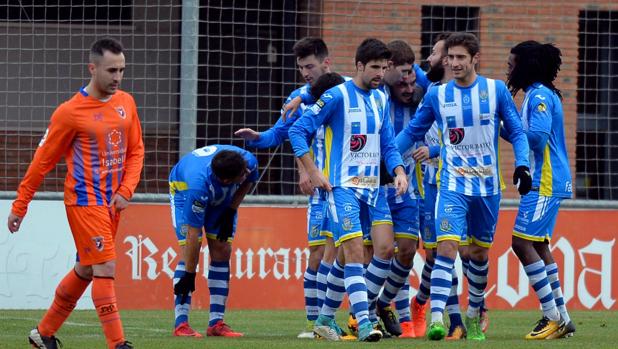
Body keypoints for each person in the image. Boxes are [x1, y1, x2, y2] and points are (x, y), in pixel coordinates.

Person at [395, 32, 532, 341]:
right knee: (446, 248)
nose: (454, 63)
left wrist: (522, 164)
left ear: (475, 59)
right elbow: (412, 132)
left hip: (487, 189)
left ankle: (473, 315)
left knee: (479, 255)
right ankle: (437, 317)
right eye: (450, 58)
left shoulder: (495, 91)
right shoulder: (437, 95)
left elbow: (518, 133)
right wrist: (388, 158)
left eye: (460, 58)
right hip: (451, 185)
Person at [7, 38, 142, 349]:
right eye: (111, 70)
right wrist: (21, 204)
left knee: (86, 267)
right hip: (84, 202)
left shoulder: (127, 103)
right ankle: (118, 344)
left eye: (121, 70)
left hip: (112, 203)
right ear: (92, 68)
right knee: (105, 266)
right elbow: (42, 162)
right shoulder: (70, 112)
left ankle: (43, 333)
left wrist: (126, 190)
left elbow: (136, 151)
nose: (117, 77)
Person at [289, 38, 407, 342]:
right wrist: (314, 171)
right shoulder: (336, 96)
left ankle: (326, 318)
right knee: (354, 251)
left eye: (384, 67)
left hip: (375, 189)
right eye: (375, 67)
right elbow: (297, 130)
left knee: (379, 249)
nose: (381, 73)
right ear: (358, 66)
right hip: (342, 188)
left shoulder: (381, 98)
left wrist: (398, 170)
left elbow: (388, 143)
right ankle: (364, 322)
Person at [234, 37, 345, 339]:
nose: (306, 73)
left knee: (343, 253)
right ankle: (314, 324)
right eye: (301, 68)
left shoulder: (346, 90)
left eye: (310, 66)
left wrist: (308, 95)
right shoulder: (297, 96)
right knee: (317, 255)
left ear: (326, 62)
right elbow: (279, 134)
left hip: (347, 186)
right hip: (320, 191)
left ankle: (338, 318)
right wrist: (257, 137)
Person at [505, 40, 575, 339]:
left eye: (512, 64)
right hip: (547, 180)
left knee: (521, 243)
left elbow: (537, 138)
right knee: (540, 245)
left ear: (526, 66)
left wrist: (506, 126)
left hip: (545, 180)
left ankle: (551, 316)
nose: (509, 68)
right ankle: (564, 317)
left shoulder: (539, 97)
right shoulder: (537, 93)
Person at [170, 144, 258, 338]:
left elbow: (248, 180)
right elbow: (193, 234)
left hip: (222, 197)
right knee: (188, 255)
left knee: (222, 250)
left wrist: (232, 209)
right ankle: (181, 324)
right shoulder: (197, 186)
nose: (245, 174)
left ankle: (216, 323)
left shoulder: (247, 161)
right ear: (227, 180)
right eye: (239, 176)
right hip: (184, 193)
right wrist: (190, 275)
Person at [371, 40, 425, 338]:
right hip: (377, 188)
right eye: (403, 76)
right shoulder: (376, 96)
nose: (408, 83)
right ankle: (359, 315)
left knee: (406, 251)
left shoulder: (421, 98)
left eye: (412, 77)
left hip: (408, 191)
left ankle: (382, 304)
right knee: (375, 252)